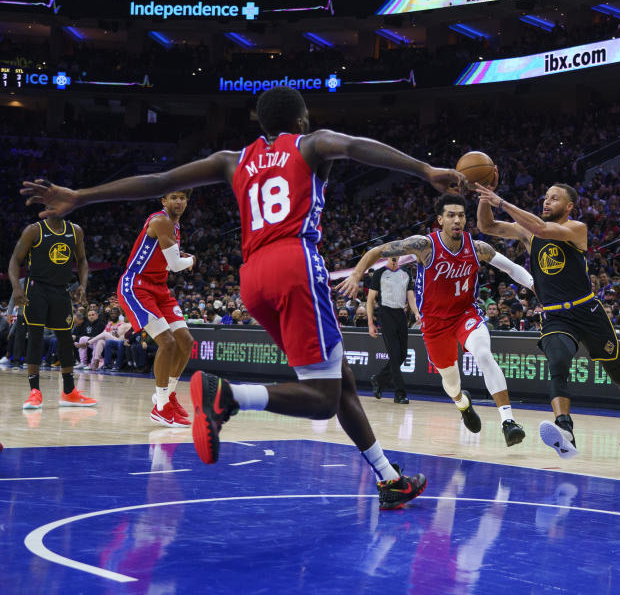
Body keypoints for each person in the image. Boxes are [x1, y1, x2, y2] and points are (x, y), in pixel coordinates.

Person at [21, 85, 465, 508]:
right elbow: (356, 146)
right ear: (302, 119)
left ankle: (389, 478)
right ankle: (228, 396)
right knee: (324, 398)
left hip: (252, 279)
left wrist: (81, 196)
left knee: (340, 381)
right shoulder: (311, 145)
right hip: (295, 264)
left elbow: (159, 180)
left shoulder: (232, 160)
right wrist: (426, 170)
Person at [474, 182, 620, 458]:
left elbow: (543, 229)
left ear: (569, 206)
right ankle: (565, 430)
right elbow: (486, 226)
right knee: (558, 363)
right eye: (545, 197)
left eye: (554, 198)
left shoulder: (576, 229)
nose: (546, 202)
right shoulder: (528, 231)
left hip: (587, 312)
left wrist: (502, 202)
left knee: (619, 376)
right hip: (556, 314)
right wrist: (485, 196)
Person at [339, 194, 530, 447]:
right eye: (451, 215)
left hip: (465, 314)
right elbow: (377, 251)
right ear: (440, 220)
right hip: (435, 323)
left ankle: (508, 422)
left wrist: (537, 286)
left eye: (461, 215)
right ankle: (463, 404)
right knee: (451, 384)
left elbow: (511, 268)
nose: (457, 220)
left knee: (483, 354)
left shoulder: (477, 248)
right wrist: (356, 274)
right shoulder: (424, 245)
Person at [116, 190, 196, 428]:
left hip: (159, 288)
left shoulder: (174, 226)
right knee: (168, 342)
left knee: (186, 341)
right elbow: (175, 265)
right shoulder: (161, 220)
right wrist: (193, 260)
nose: (178, 201)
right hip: (137, 286)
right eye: (173, 197)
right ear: (164, 201)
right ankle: (160, 407)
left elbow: (165, 260)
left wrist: (180, 256)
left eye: (183, 197)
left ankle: (168, 395)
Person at [8, 208, 97, 409]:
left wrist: (82, 285)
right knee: (36, 337)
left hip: (61, 291)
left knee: (65, 339)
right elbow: (15, 260)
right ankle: (34, 392)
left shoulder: (75, 230)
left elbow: (82, 260)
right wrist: (16, 287)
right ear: (46, 208)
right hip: (36, 289)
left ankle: (69, 392)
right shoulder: (34, 230)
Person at [366, 256, 419, 403]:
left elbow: (410, 296)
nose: (394, 258)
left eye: (397, 255)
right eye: (391, 255)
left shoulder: (406, 272)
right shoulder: (379, 273)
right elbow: (370, 299)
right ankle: (399, 393)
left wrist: (416, 312)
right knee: (394, 355)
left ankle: (378, 379)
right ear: (387, 257)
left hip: (400, 315)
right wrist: (371, 323)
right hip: (385, 314)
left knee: (402, 355)